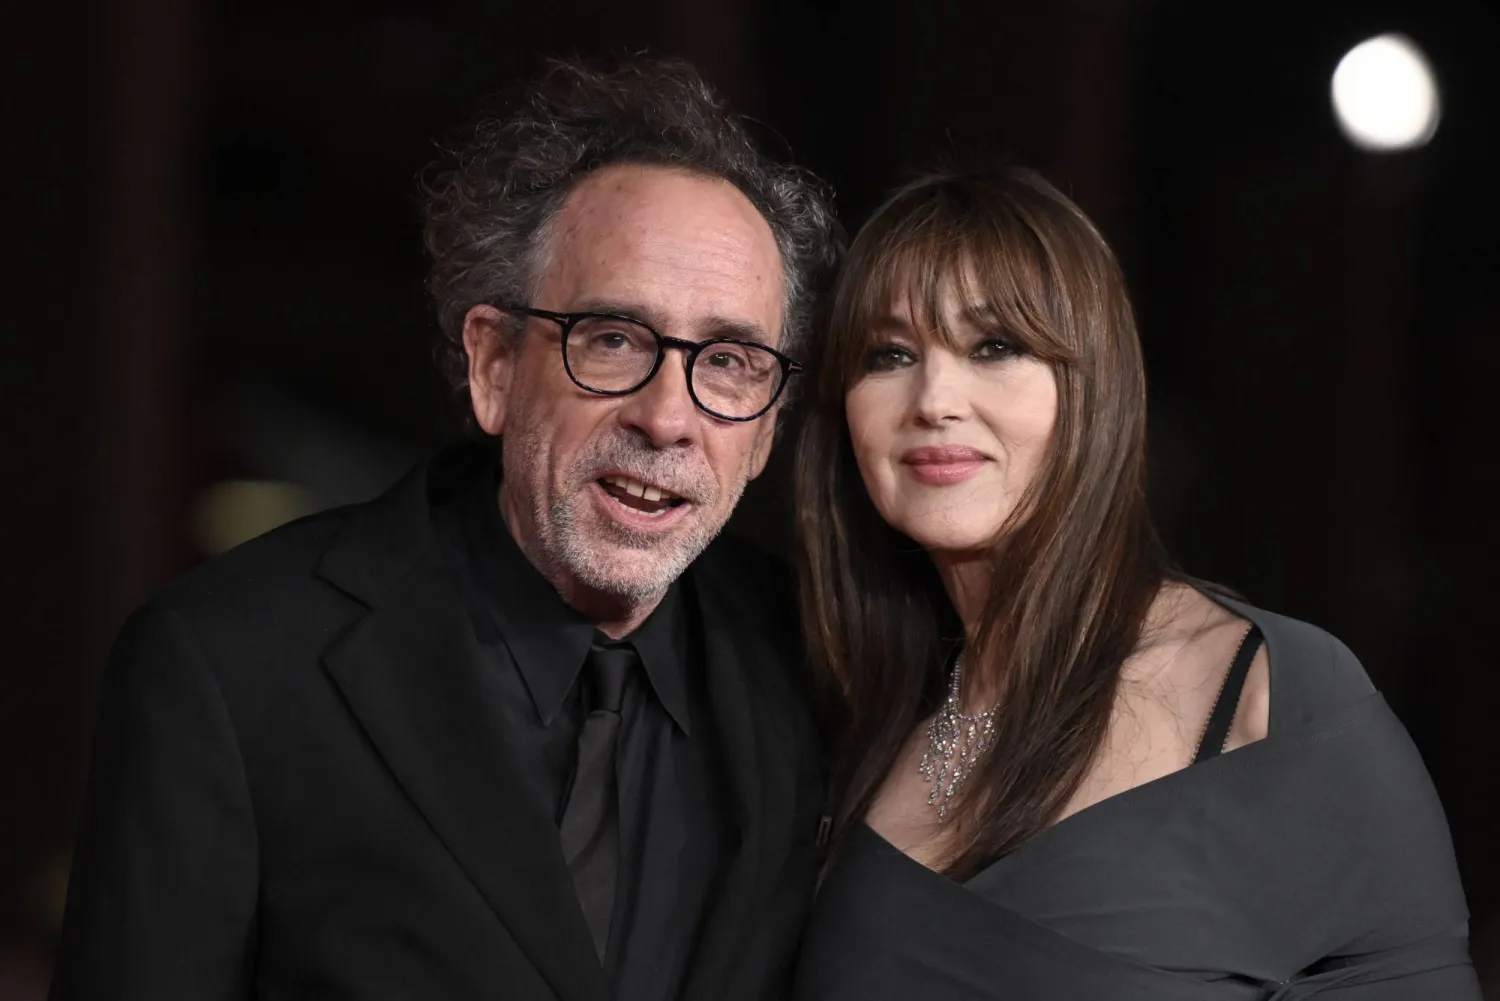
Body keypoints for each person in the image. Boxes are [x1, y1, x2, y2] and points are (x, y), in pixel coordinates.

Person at [50, 58, 841, 1001]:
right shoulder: (226, 663)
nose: (669, 417)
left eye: (729, 360)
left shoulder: (821, 668)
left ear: (766, 428)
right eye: (615, 340)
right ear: (494, 366)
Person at [790, 167, 1479, 999]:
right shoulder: (850, 713)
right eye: (890, 354)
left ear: (1093, 388)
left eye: (995, 346)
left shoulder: (1281, 702)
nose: (934, 398)